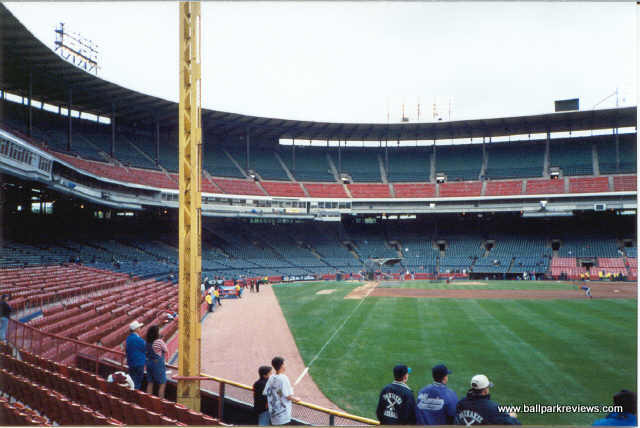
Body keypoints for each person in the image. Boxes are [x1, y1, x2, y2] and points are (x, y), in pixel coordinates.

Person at [455, 374, 520, 425]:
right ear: (485, 390)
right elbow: (516, 424)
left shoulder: (461, 403)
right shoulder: (492, 408)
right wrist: (511, 417)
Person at [263, 356, 300, 425]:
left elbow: (272, 392)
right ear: (282, 365)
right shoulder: (284, 378)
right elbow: (288, 396)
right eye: (284, 364)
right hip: (283, 415)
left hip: (273, 414)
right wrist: (296, 399)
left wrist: (285, 390)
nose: (285, 366)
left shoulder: (271, 377)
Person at [145, 325, 168, 398]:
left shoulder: (147, 342)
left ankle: (148, 400)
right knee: (162, 383)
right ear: (156, 333)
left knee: (150, 382)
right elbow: (166, 350)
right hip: (157, 364)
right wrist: (161, 339)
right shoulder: (159, 341)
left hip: (149, 363)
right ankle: (161, 402)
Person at [125, 320, 146, 390]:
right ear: (136, 329)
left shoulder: (128, 338)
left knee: (132, 381)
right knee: (137, 383)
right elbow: (146, 348)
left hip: (131, 363)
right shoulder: (138, 339)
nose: (140, 329)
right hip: (139, 363)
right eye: (139, 327)